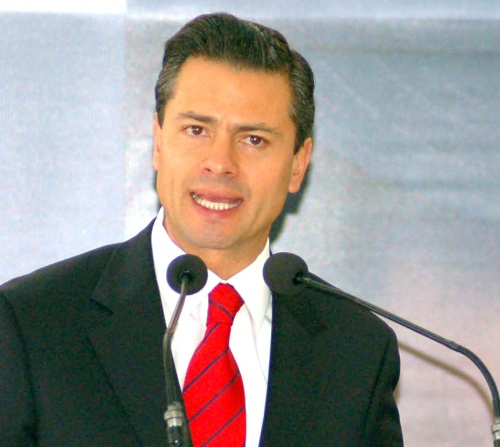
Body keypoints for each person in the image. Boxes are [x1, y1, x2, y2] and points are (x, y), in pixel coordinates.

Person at [0, 12, 403, 447]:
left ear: (298, 164)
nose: (220, 163)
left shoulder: (357, 351)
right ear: (158, 141)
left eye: (254, 139)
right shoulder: (31, 324)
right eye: (196, 130)